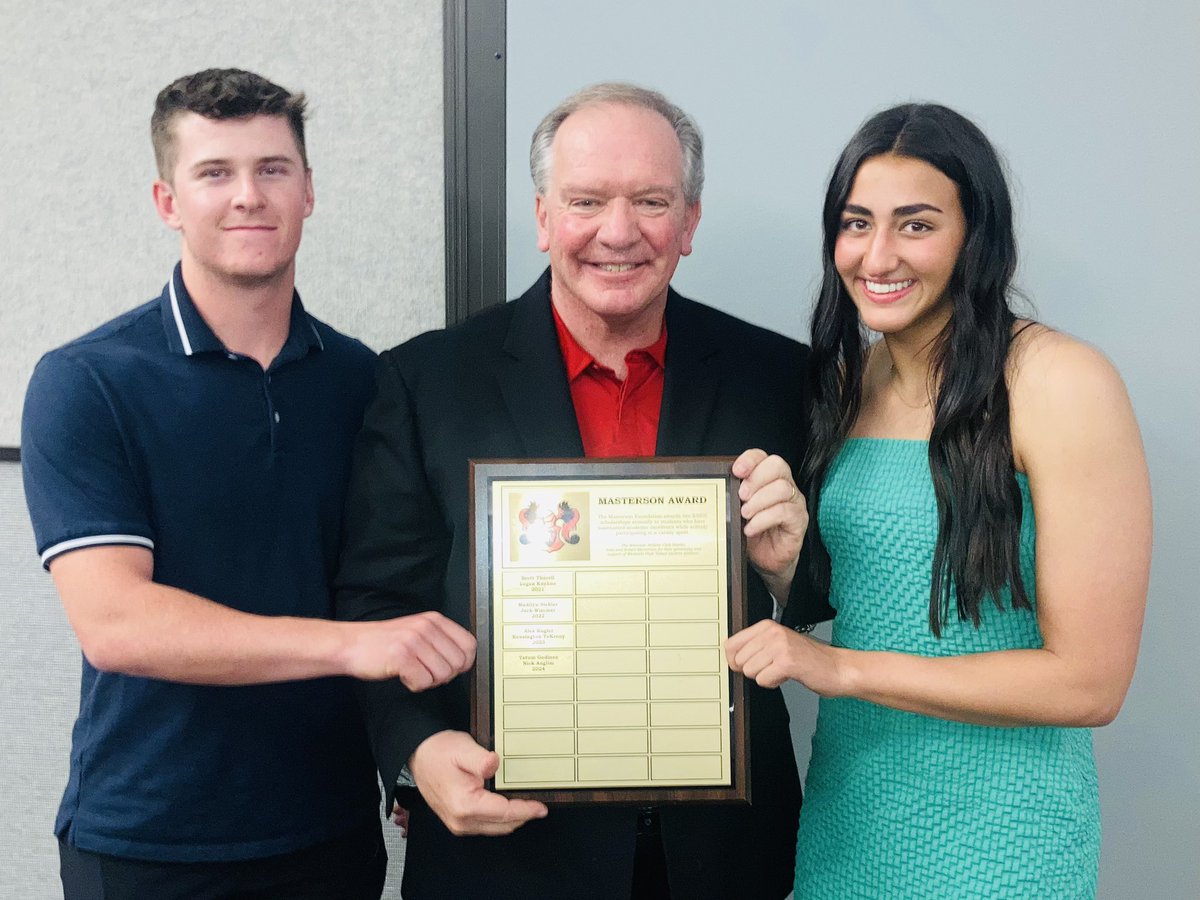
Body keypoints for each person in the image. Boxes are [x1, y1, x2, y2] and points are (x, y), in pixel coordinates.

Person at [335, 82, 829, 899]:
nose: (619, 231)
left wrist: (789, 572)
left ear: (689, 222)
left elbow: (824, 597)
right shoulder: (427, 382)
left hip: (720, 856)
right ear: (542, 217)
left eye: (651, 201)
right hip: (506, 852)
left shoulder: (780, 378)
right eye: (586, 200)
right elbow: (376, 602)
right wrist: (417, 751)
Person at [21, 68, 475, 900]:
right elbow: (116, 624)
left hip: (330, 833)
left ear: (309, 191)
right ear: (167, 202)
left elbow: (390, 585)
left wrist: (414, 751)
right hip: (151, 842)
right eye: (214, 172)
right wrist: (350, 646)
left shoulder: (363, 382)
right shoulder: (88, 383)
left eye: (272, 169)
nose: (248, 196)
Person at [726, 103, 1151, 898]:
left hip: (1003, 838)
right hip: (850, 822)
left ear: (974, 237)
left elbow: (1091, 682)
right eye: (856, 224)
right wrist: (786, 572)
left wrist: (840, 668)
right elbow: (880, 597)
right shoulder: (848, 384)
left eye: (915, 225)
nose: (877, 255)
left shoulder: (1060, 382)